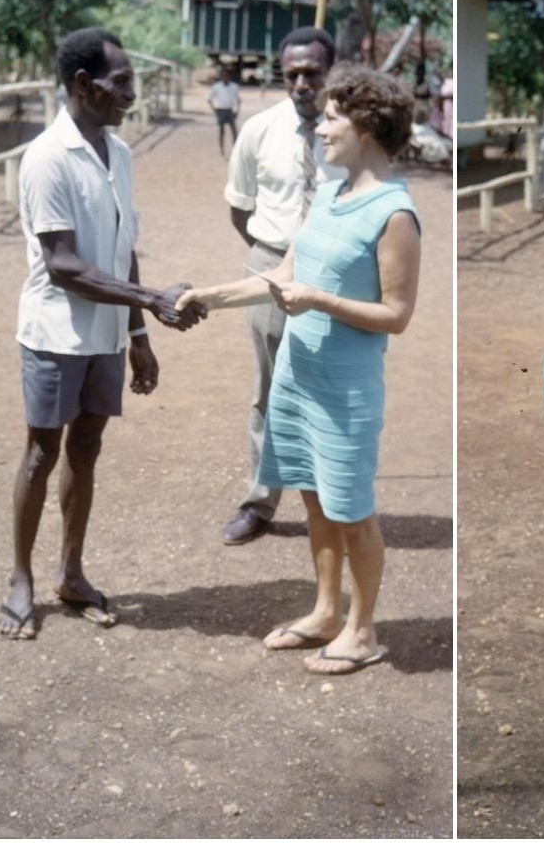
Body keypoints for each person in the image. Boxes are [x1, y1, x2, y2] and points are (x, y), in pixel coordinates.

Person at [177, 66, 420, 675]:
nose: (323, 128)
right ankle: (325, 613)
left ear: (367, 126)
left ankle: (362, 632)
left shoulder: (395, 214)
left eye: (335, 117)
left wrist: (320, 301)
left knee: (352, 510)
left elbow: (395, 314)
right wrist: (206, 295)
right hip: (299, 376)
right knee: (314, 501)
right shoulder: (331, 196)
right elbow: (282, 277)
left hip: (346, 388)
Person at [0, 27, 206, 640]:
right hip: (55, 333)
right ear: (83, 85)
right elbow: (63, 266)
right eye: (121, 85)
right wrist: (151, 300)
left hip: (109, 332)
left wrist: (140, 332)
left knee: (86, 448)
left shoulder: (120, 152)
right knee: (42, 452)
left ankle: (71, 572)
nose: (130, 97)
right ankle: (20, 578)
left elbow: (122, 246)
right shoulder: (46, 158)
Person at [220, 27, 345, 546]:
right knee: (268, 390)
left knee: (335, 390)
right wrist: (276, 260)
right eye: (291, 73)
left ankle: (337, 504)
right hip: (271, 266)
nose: (300, 84)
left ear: (331, 72)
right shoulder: (259, 130)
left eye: (311, 73)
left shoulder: (354, 134)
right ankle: (260, 501)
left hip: (337, 275)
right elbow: (239, 207)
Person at [206, 66, 241, 156]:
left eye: (227, 76)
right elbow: (209, 99)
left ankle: (235, 149)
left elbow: (238, 99)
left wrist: (237, 111)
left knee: (234, 131)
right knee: (222, 131)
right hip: (220, 110)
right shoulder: (216, 86)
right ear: (221, 77)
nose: (225, 77)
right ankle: (222, 149)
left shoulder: (234, 86)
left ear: (229, 76)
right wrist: (214, 110)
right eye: (223, 76)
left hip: (230, 110)